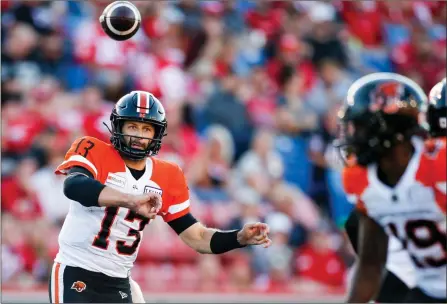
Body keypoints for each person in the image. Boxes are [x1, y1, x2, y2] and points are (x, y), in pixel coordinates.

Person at [49, 91, 272, 303]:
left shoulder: (168, 175)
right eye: (132, 126)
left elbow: (197, 237)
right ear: (118, 126)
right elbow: (74, 186)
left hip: (118, 281)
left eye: (146, 129)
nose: (138, 135)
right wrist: (129, 199)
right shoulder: (93, 149)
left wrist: (238, 238)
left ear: (156, 134)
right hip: (75, 270)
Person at [336, 73, 446, 303]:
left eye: (360, 127)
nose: (353, 137)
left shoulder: (438, 163)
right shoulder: (361, 180)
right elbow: (370, 265)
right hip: (429, 291)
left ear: (387, 128)